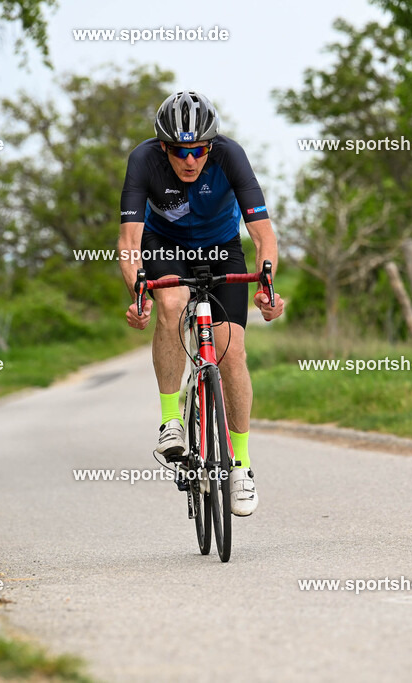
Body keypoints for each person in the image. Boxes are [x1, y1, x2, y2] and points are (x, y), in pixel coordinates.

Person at [118, 91, 284, 516]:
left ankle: (241, 466)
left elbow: (263, 235)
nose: (189, 160)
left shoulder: (231, 156)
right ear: (163, 148)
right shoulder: (143, 161)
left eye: (197, 150)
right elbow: (129, 242)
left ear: (210, 146)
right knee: (171, 302)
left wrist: (266, 285)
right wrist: (139, 291)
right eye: (179, 151)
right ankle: (171, 420)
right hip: (165, 243)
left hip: (220, 247)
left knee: (233, 353)